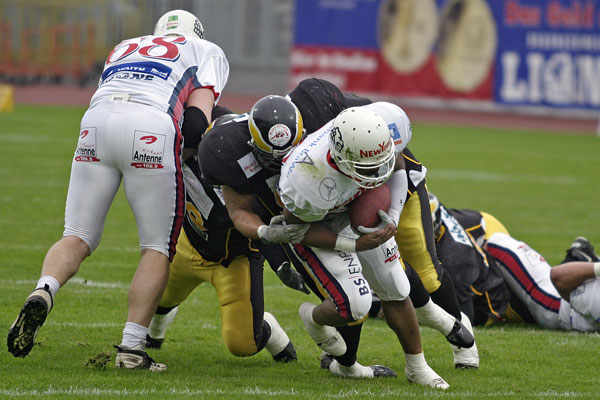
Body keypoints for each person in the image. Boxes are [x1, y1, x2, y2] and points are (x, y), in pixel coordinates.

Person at [7, 9, 229, 372]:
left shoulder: (126, 45)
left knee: (76, 235)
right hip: (151, 126)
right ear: (197, 32)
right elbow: (194, 123)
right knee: (156, 247)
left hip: (95, 123)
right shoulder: (206, 50)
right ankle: (131, 348)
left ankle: (44, 289)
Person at [278, 105, 449, 389]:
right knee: (356, 305)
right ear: (341, 159)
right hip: (321, 224)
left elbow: (396, 164)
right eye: (367, 168)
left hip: (358, 211)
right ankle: (313, 317)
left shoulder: (386, 123)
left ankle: (417, 367)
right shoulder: (306, 177)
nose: (376, 173)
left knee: (396, 285)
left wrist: (392, 216)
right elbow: (298, 230)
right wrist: (353, 244)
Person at [144, 112, 297, 363]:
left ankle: (268, 330)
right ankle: (154, 334)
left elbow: (265, 229)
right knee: (153, 297)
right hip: (188, 245)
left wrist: (280, 263)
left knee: (243, 344)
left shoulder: (251, 182)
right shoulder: (186, 153)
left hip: (234, 261)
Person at [429, 193, 600, 332]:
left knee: (496, 247)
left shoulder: (456, 256)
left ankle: (579, 258)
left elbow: (559, 277)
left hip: (553, 302)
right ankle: (579, 258)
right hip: (563, 305)